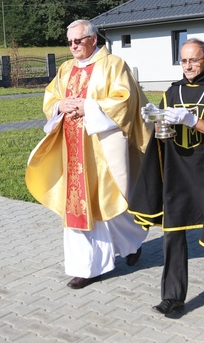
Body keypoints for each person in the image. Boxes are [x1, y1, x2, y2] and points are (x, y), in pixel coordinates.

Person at [26, 19, 151, 289]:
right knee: (77, 208)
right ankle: (87, 267)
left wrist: (88, 107)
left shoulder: (113, 65)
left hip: (101, 147)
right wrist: (61, 104)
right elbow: (51, 97)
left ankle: (132, 241)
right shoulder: (65, 68)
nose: (73, 46)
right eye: (69, 42)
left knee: (110, 203)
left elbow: (125, 100)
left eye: (78, 41)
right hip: (71, 149)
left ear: (93, 39)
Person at [130, 38, 204, 315]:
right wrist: (156, 119)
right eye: (184, 60)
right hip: (177, 171)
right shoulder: (172, 91)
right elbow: (163, 132)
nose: (188, 66)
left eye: (194, 60)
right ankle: (172, 295)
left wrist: (192, 121)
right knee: (173, 233)